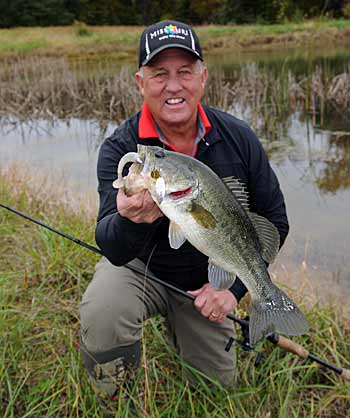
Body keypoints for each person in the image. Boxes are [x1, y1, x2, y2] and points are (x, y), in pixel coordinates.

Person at [79, 19, 289, 412]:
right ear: (140, 83)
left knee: (216, 392)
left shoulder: (238, 137)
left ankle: (202, 326)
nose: (173, 86)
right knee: (103, 311)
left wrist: (233, 292)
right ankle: (112, 400)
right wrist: (128, 218)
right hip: (140, 270)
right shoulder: (123, 149)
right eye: (160, 74)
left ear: (203, 78)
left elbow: (274, 221)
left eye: (185, 72)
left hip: (208, 281)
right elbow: (109, 243)